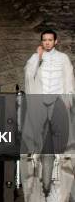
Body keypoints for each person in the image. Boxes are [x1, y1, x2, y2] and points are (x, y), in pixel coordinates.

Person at [22, 30, 75, 190]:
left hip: (58, 99)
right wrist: (38, 58)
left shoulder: (63, 58)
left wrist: (68, 99)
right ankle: (36, 172)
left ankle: (61, 169)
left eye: (50, 40)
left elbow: (69, 78)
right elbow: (28, 75)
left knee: (61, 134)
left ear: (55, 41)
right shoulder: (35, 57)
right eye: (44, 40)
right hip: (40, 100)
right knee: (38, 134)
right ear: (41, 42)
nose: (47, 43)